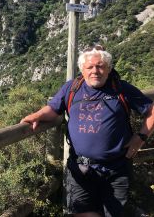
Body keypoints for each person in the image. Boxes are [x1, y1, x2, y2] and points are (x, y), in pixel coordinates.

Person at [20, 45, 154, 217]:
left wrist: (140, 137)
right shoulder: (72, 88)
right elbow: (53, 110)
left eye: (100, 66)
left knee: (114, 213)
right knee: (82, 213)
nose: (95, 71)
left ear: (109, 69)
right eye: (90, 67)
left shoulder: (121, 89)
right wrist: (36, 115)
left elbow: (151, 111)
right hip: (80, 168)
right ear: (82, 70)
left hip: (116, 168)